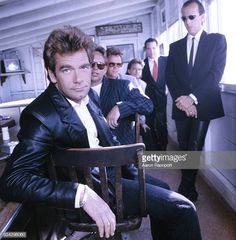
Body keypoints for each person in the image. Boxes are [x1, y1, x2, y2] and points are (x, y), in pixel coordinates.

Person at [0, 26, 202, 240]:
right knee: (183, 208)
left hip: (113, 173)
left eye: (84, 67)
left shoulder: (89, 98)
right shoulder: (41, 114)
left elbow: (107, 140)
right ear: (51, 74)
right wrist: (81, 194)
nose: (79, 79)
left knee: (165, 190)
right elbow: (13, 181)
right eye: (67, 69)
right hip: (97, 187)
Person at [166, 0, 227, 202]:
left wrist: (192, 99)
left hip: (204, 104)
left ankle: (185, 188)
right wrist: (182, 101)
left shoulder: (217, 41)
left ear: (202, 17)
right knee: (184, 147)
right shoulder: (175, 47)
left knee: (194, 147)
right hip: (180, 106)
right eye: (184, 18)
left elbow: (214, 74)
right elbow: (170, 77)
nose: (187, 22)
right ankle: (189, 190)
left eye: (191, 17)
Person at [91, 47, 154, 179]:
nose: (95, 68)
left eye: (100, 64)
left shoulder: (123, 85)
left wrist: (121, 107)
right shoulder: (78, 93)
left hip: (124, 161)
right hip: (94, 165)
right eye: (91, 64)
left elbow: (147, 104)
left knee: (163, 189)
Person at [142, 38, 168, 150]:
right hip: (148, 100)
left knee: (162, 123)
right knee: (150, 123)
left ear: (157, 48)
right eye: (148, 48)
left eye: (153, 48)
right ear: (145, 50)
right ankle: (153, 148)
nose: (151, 51)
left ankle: (163, 147)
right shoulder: (142, 64)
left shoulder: (166, 61)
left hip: (162, 98)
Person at [126, 58, 157, 150]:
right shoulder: (125, 82)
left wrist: (142, 122)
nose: (137, 72)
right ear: (129, 70)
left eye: (139, 69)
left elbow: (143, 104)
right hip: (128, 118)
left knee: (148, 136)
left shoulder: (143, 84)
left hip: (140, 118)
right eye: (134, 69)